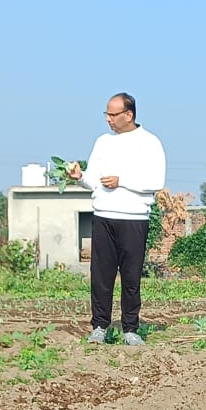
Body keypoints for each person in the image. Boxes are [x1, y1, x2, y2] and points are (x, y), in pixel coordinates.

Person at [68, 92, 166, 345]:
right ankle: (99, 327)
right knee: (101, 276)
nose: (109, 120)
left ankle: (130, 329)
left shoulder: (150, 143)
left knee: (131, 277)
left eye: (113, 115)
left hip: (134, 219)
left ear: (129, 115)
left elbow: (156, 182)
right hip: (103, 217)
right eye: (107, 115)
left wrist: (122, 182)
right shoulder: (103, 143)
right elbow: (94, 180)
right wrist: (80, 177)